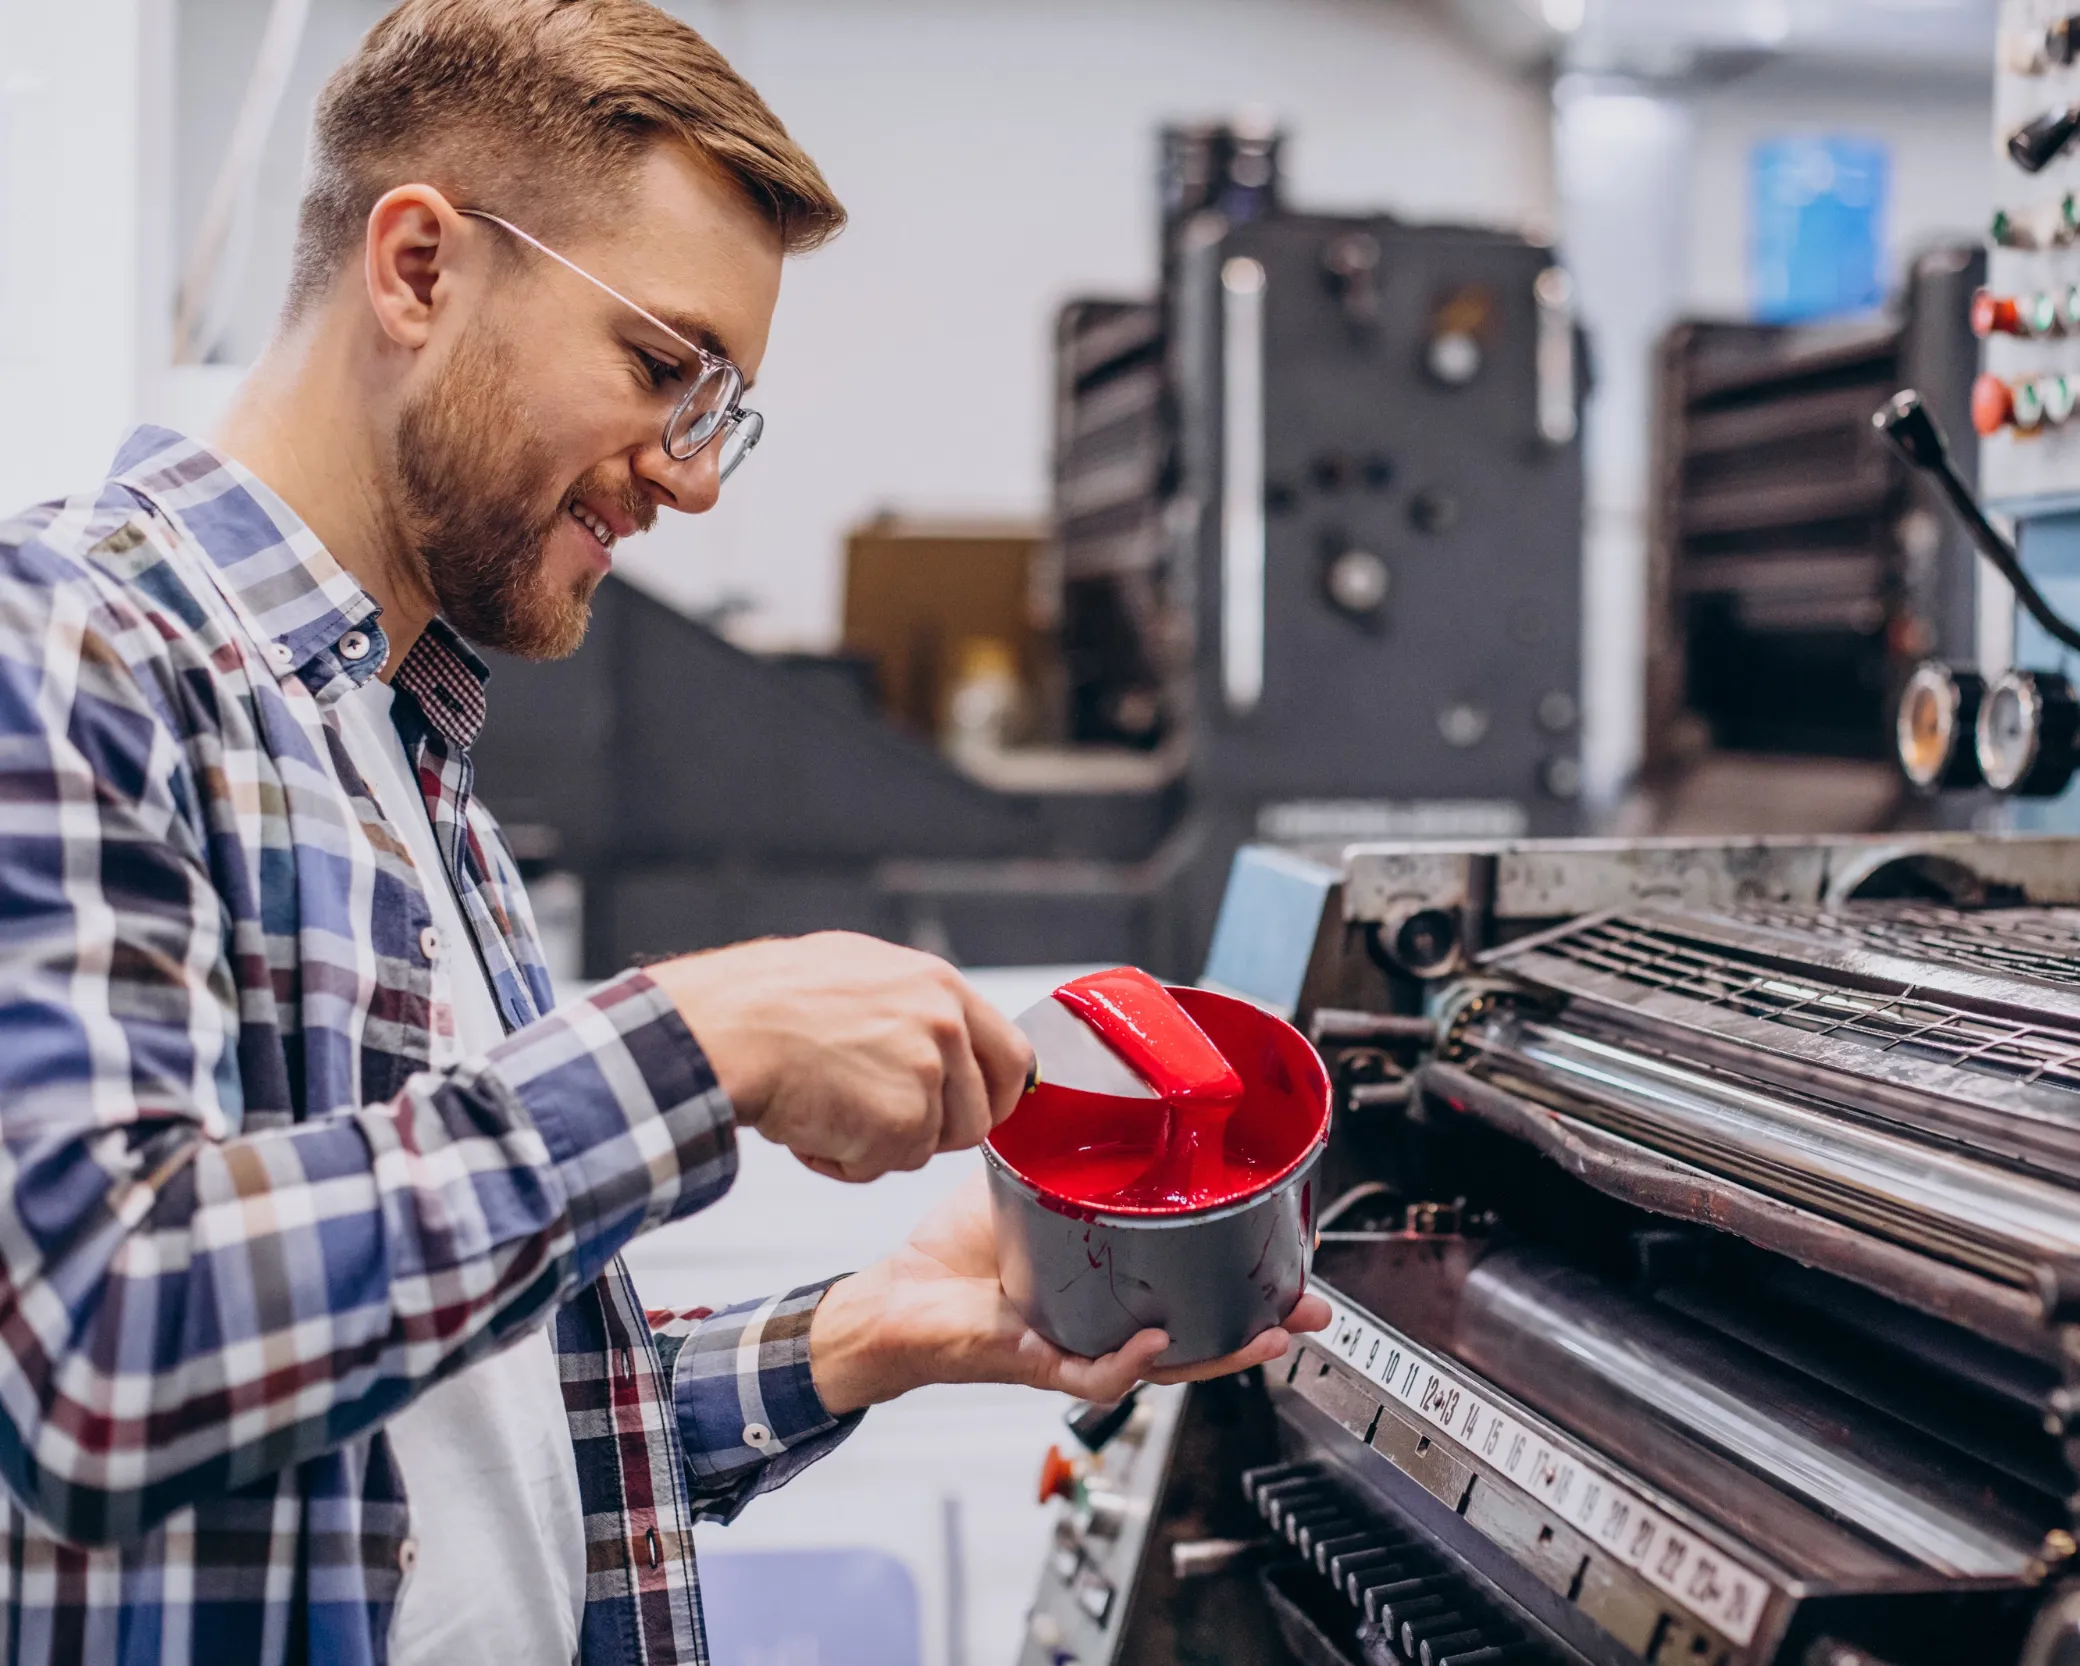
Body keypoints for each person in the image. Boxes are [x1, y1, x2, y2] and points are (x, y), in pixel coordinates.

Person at [0, 2, 1327, 1662]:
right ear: (417, 267)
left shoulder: (403, 751)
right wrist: (706, 1036)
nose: (692, 480)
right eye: (660, 368)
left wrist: (867, 1331)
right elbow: (94, 1352)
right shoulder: (66, 649)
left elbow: (482, 1457)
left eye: (723, 407)